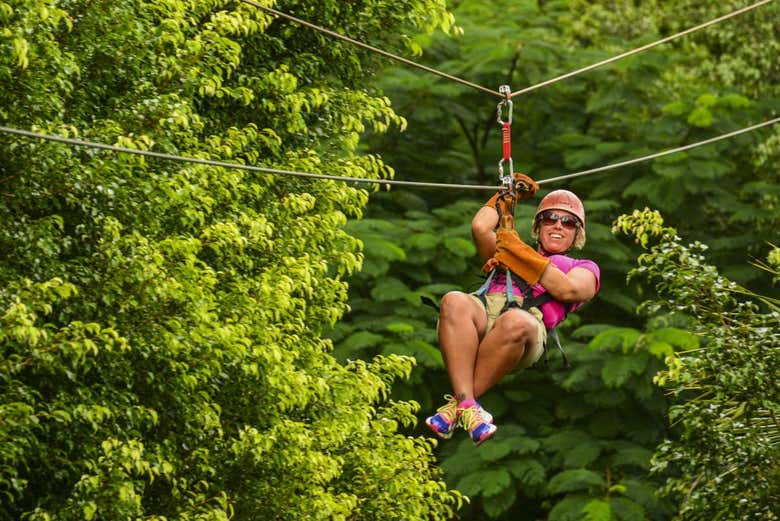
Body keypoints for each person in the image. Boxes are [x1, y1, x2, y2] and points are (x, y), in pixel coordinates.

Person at [425, 180, 600, 445]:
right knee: (453, 300)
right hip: (485, 311)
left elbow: (568, 290)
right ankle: (465, 406)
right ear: (538, 226)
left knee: (515, 320)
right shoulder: (508, 248)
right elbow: (480, 227)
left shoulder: (583, 267)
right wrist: (507, 195)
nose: (558, 225)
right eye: (550, 218)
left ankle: (459, 404)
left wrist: (518, 255)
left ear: (577, 234)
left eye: (568, 223)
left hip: (525, 328)